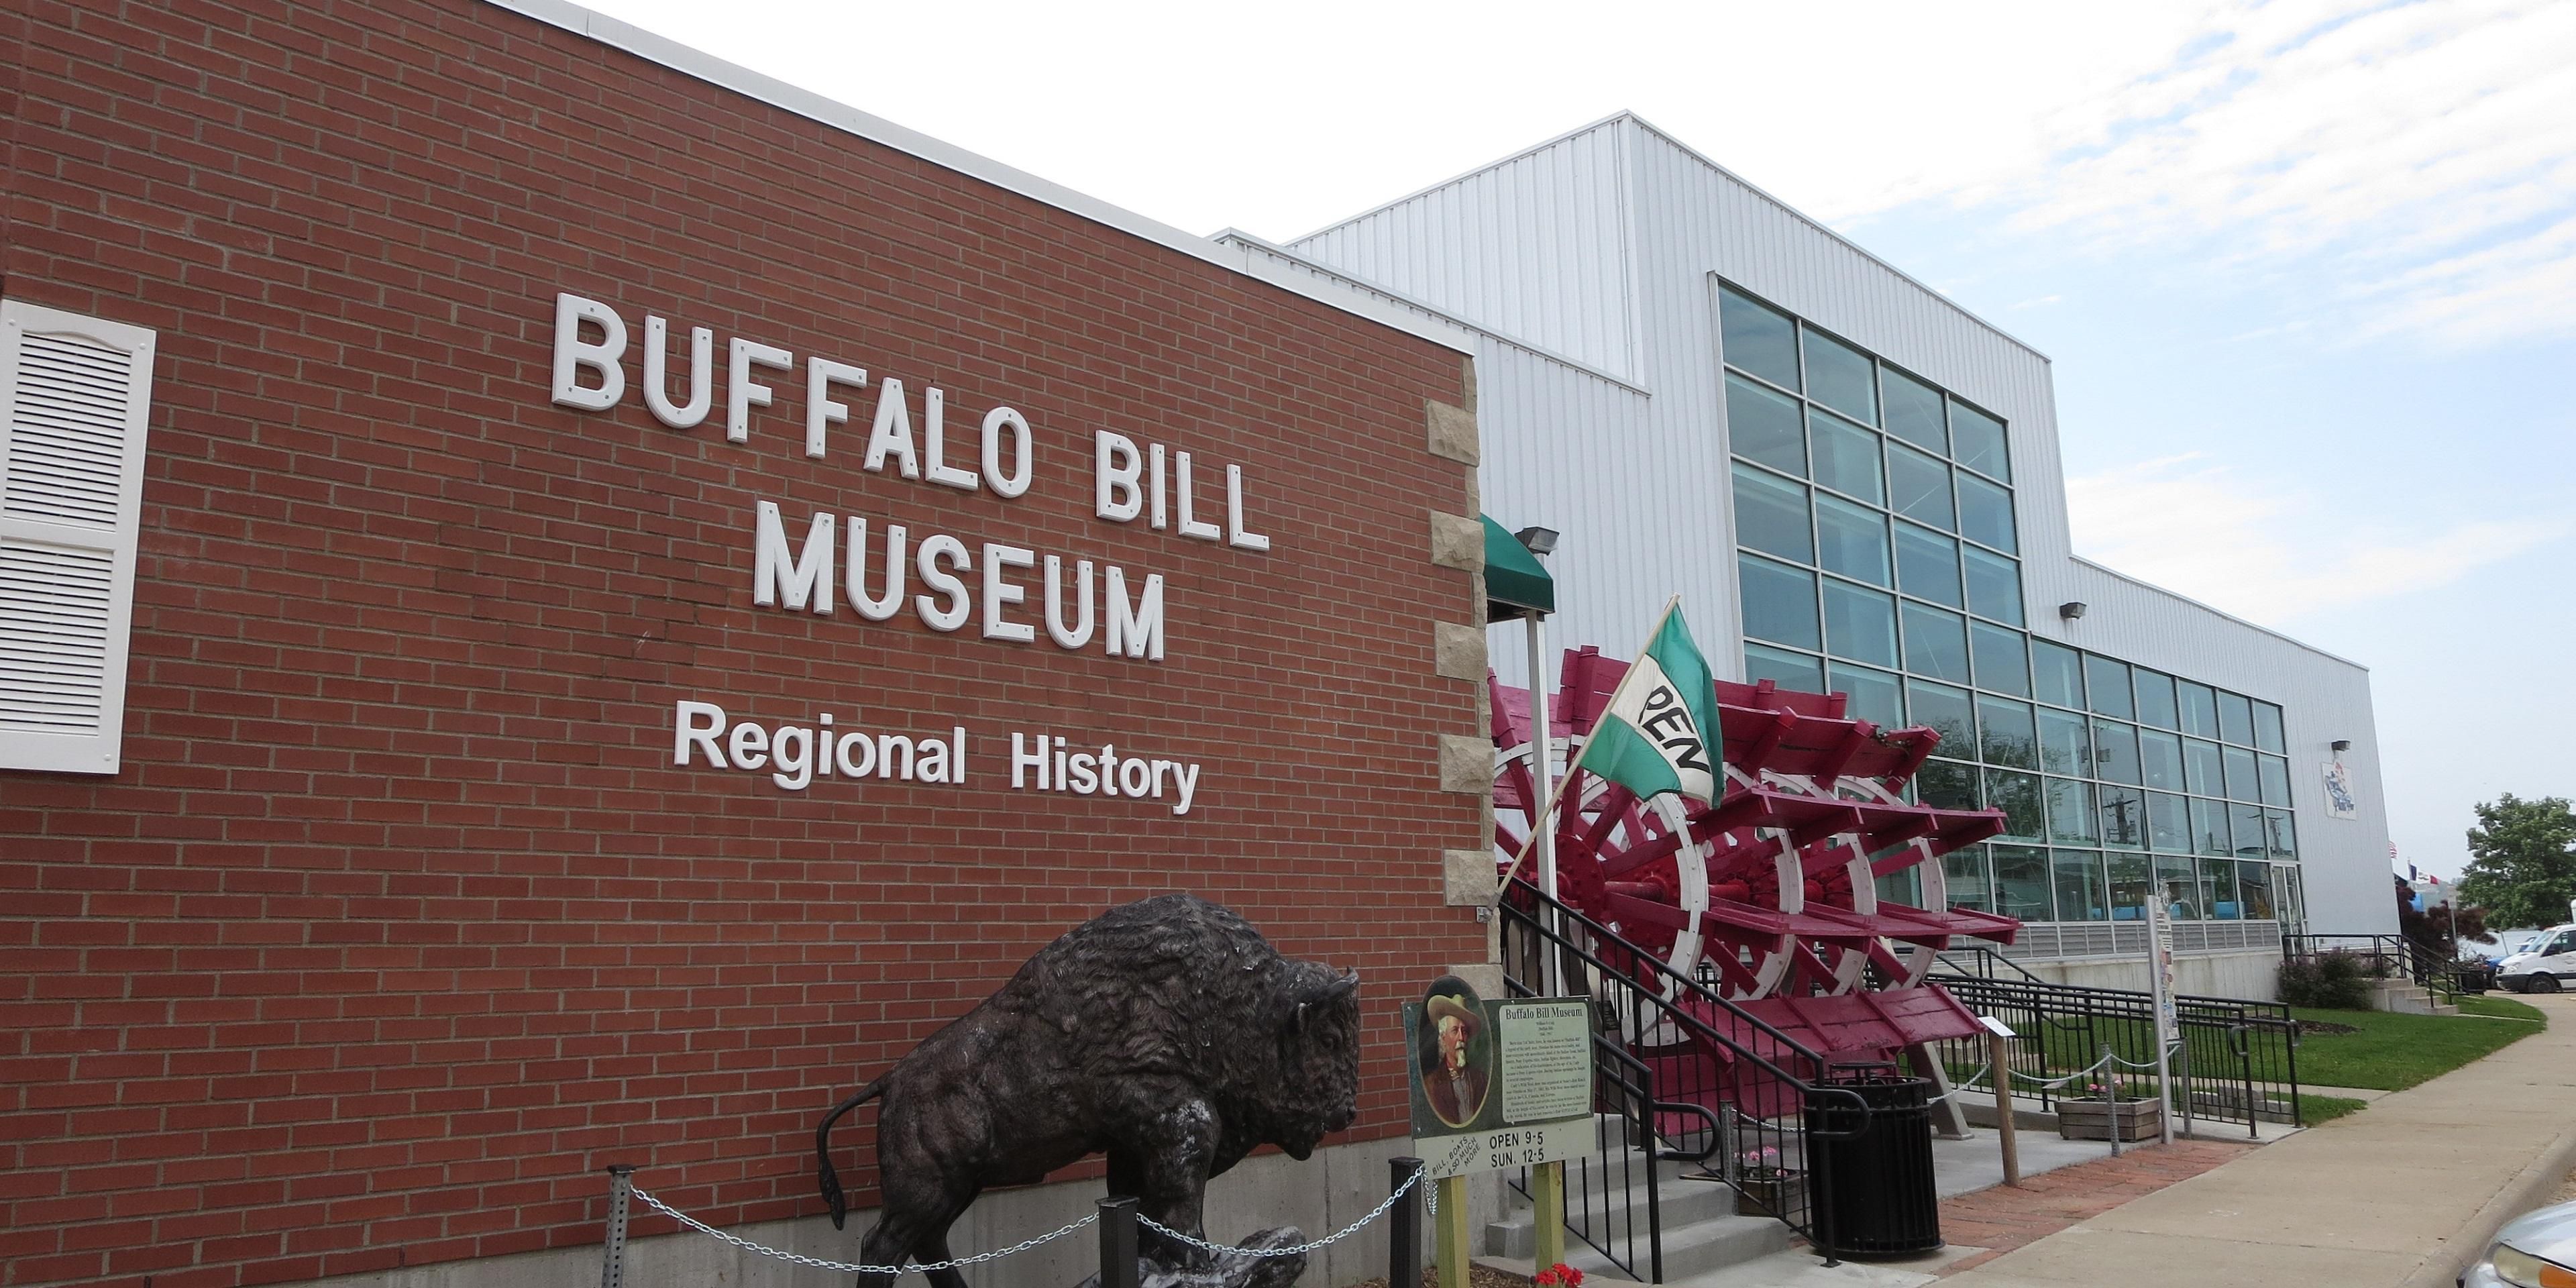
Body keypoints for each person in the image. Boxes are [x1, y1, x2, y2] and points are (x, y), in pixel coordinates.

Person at [1421, 992, 1491, 1128]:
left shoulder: (1481, 1080)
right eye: (1455, 1031)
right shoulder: (1431, 1085)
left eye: (1464, 1031)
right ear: (1443, 1039)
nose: (1461, 1038)